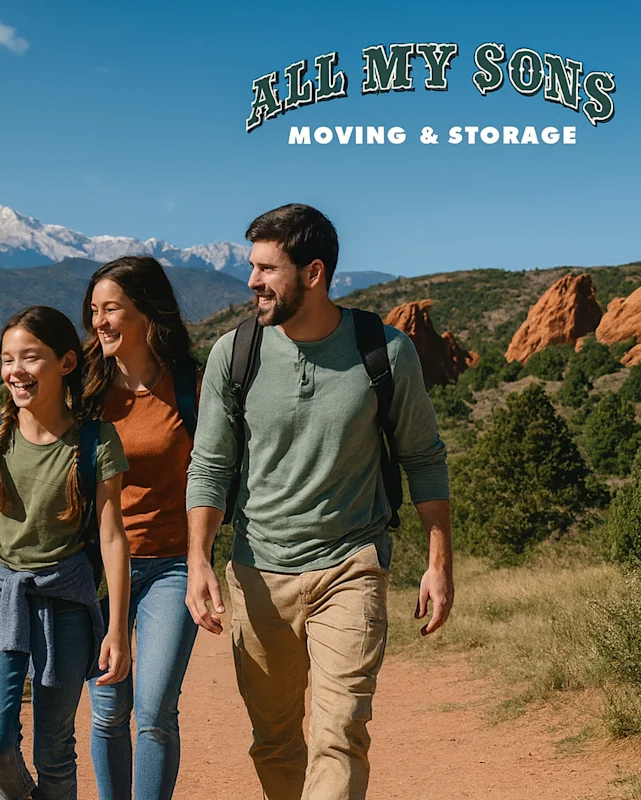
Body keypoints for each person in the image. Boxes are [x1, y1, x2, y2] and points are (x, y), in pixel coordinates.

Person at [184, 204, 453, 800]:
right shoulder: (235, 354)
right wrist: (199, 559)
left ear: (313, 272)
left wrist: (439, 563)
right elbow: (210, 465)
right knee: (274, 739)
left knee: (340, 735)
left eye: (266, 268)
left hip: (351, 567)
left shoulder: (385, 351)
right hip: (258, 572)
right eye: (251, 266)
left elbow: (424, 459)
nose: (251, 282)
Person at [0, 305, 132, 800]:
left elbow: (112, 537)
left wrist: (117, 628)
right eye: (8, 359)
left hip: (66, 601)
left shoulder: (97, 443)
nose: (16, 371)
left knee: (55, 748)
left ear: (67, 363)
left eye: (30, 358)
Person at [80, 256, 201, 800]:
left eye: (112, 309)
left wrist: (207, 558)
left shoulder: (191, 387)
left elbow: (214, 473)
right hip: (98, 571)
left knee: (153, 710)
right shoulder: (81, 391)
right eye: (94, 311)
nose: (99, 322)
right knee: (108, 710)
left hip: (172, 565)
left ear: (146, 312)